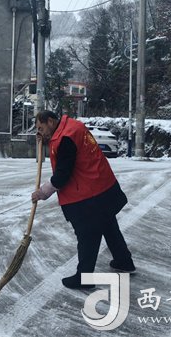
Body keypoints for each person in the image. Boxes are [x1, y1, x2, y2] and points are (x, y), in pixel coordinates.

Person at [31, 110, 135, 289]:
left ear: (50, 121)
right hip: (102, 184)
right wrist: (44, 139)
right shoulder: (73, 127)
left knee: (87, 234)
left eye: (41, 128)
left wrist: (42, 192)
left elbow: (62, 175)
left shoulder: (65, 138)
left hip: (88, 192)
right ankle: (124, 261)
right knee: (108, 225)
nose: (40, 132)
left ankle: (84, 277)